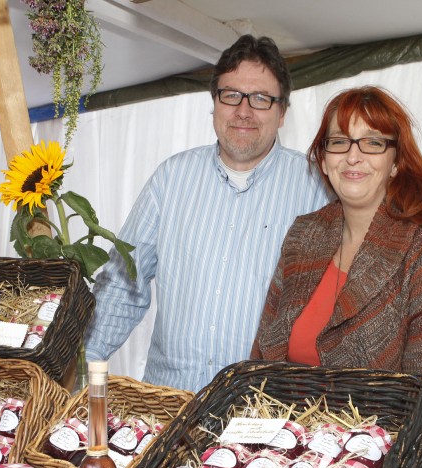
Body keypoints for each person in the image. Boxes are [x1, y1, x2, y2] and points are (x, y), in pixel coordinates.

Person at [84, 35, 329, 392]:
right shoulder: (171, 178)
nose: (243, 110)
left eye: (261, 98)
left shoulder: (315, 187)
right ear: (214, 102)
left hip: (260, 408)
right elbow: (123, 283)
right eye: (231, 95)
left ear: (282, 113)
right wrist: (82, 365)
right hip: (171, 402)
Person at [251, 86, 422, 432]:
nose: (353, 156)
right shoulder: (304, 234)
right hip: (287, 451)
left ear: (396, 162)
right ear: (324, 158)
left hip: (384, 455)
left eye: (372, 143)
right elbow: (261, 360)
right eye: (339, 142)